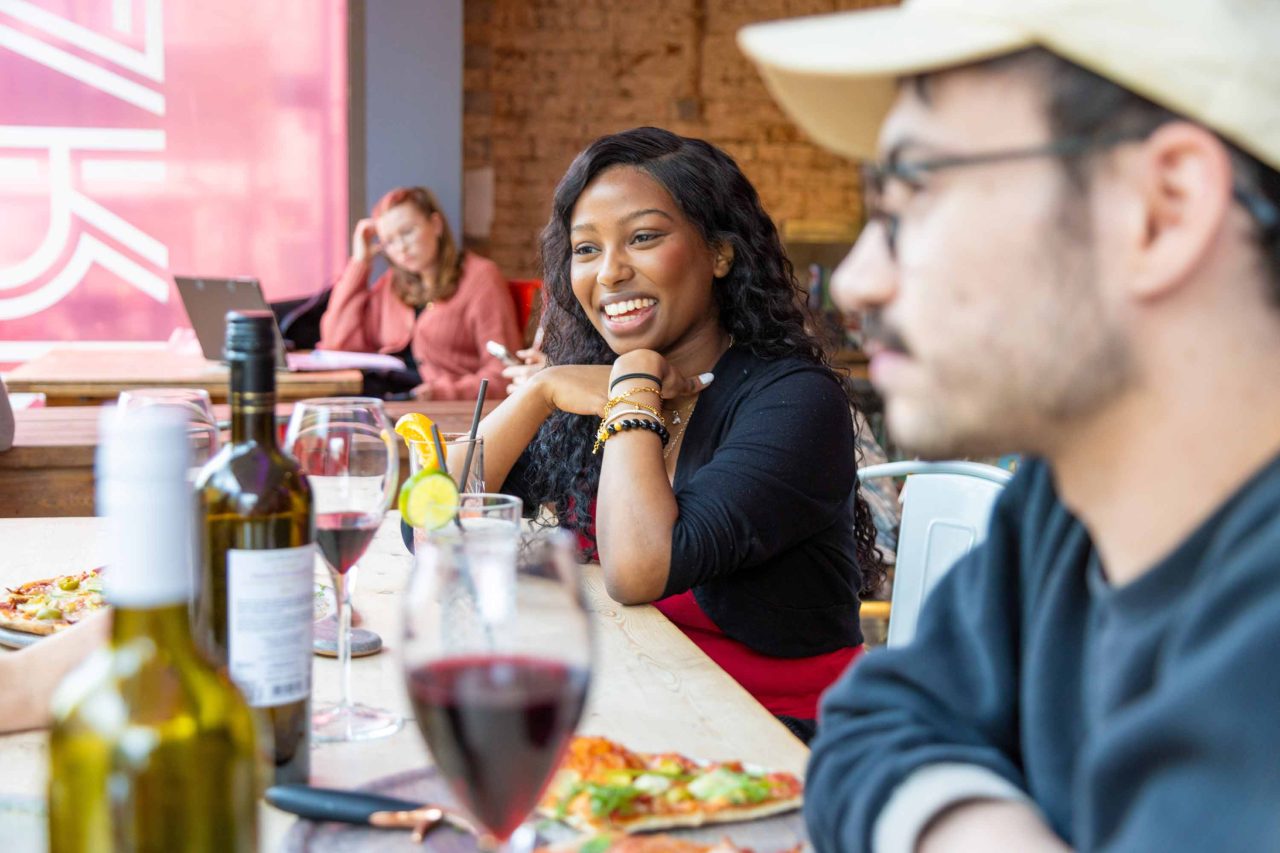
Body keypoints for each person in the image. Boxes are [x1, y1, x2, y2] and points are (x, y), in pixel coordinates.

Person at [739, 0, 1280, 849]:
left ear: (1162, 208)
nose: (857, 283)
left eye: (911, 192)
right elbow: (873, 719)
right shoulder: (1070, 509)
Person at [478, 127, 884, 740]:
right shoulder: (589, 388)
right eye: (585, 249)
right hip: (643, 700)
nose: (610, 272)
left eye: (643, 238)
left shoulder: (794, 400)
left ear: (720, 254)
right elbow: (431, 520)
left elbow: (640, 569)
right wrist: (537, 392)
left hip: (778, 735)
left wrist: (635, 380)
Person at [318, 186, 523, 400]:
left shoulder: (480, 278)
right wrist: (360, 263)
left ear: (436, 224)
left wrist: (441, 393)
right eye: (389, 241)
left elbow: (505, 375)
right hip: (390, 401)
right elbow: (336, 343)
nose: (401, 247)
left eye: (407, 232)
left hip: (440, 412)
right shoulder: (393, 284)